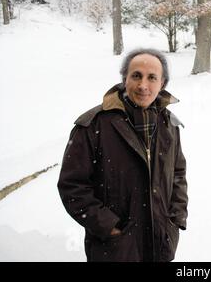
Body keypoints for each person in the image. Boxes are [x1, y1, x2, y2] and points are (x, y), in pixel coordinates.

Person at [57, 48, 188, 262]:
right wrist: (108, 226)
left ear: (162, 83)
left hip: (160, 242)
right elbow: (72, 186)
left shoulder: (168, 124)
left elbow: (178, 173)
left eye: (152, 77)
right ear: (124, 79)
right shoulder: (93, 125)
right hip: (115, 249)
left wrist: (175, 218)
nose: (143, 85)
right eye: (136, 75)